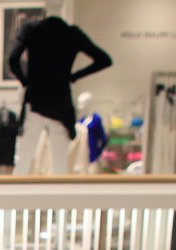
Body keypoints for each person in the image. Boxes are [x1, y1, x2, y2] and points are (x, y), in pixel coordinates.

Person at [7, 0, 111, 175]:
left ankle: (17, 201)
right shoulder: (71, 34)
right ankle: (57, 201)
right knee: (59, 164)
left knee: (24, 161)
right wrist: (72, 77)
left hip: (36, 101)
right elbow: (103, 60)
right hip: (60, 104)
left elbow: (13, 59)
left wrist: (27, 82)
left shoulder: (32, 30)